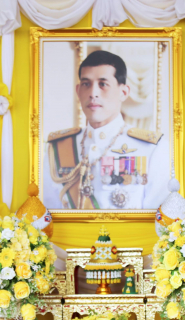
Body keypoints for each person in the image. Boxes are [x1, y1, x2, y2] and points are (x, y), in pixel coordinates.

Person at [42, 50, 168, 210]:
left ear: (123, 92)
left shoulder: (152, 148)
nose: (93, 93)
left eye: (103, 84)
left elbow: (159, 217)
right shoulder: (58, 147)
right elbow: (48, 212)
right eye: (86, 84)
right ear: (78, 91)